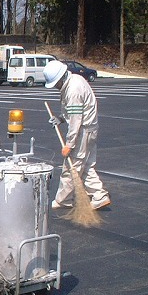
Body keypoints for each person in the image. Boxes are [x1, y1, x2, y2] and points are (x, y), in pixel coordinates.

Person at [43, 59, 110, 210]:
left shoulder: (73, 90)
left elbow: (75, 121)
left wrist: (69, 144)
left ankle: (63, 200)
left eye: (55, 84)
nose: (55, 87)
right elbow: (72, 113)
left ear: (60, 79)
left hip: (83, 131)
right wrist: (60, 118)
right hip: (90, 128)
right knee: (86, 165)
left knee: (71, 167)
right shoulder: (74, 79)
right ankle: (99, 195)